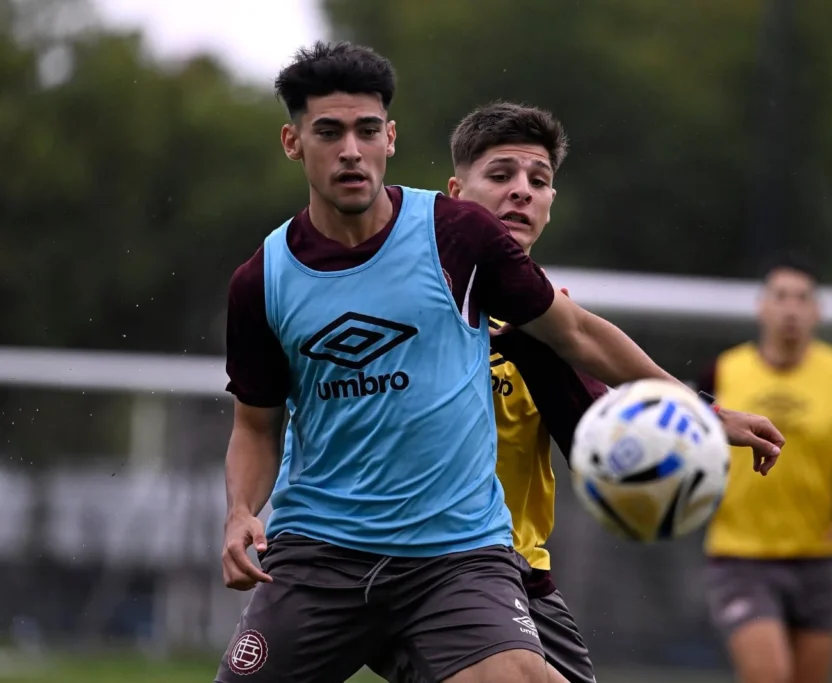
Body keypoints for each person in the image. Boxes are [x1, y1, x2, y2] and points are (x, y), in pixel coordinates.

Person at [217, 41, 785, 683]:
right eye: (329, 132)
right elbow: (256, 427)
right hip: (319, 550)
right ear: (294, 142)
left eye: (366, 130)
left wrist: (699, 410)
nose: (351, 149)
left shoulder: (457, 236)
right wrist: (241, 512)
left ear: (391, 137)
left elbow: (578, 334)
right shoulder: (262, 280)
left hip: (454, 555)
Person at [370, 101, 604, 683]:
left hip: (520, 572)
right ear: (455, 192)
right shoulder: (402, 305)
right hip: (404, 567)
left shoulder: (559, 326)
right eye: (500, 176)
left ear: (552, 202)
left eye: (539, 180)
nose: (521, 191)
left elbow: (599, 450)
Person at [697, 253, 832, 683]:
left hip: (817, 558)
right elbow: (684, 444)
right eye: (780, 296)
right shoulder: (723, 373)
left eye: (801, 298)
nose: (790, 308)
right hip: (739, 556)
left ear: (816, 311)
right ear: (761, 306)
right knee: (769, 675)